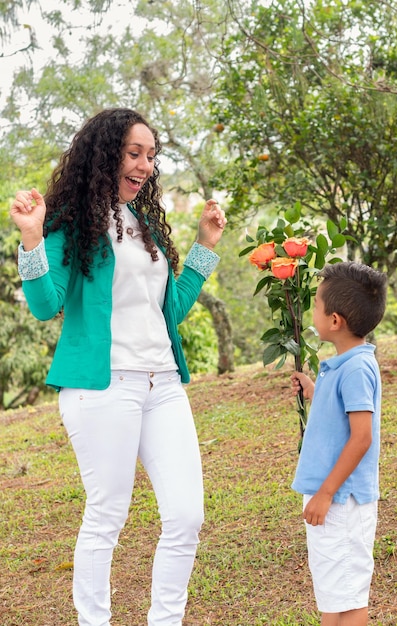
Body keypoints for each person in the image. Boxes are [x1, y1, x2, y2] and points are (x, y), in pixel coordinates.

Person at [10, 108, 227, 626]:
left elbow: (168, 310)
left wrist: (205, 248)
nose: (145, 166)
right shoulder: (73, 222)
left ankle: (165, 620)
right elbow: (45, 304)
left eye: (151, 156)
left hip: (164, 383)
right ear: (106, 155)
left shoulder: (144, 223)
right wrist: (32, 238)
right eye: (135, 154)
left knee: (186, 515)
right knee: (108, 514)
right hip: (104, 387)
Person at [290, 262, 387, 626]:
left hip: (342, 501)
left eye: (315, 304)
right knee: (334, 589)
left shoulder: (357, 368)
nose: (311, 310)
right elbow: (341, 421)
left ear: (334, 321)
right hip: (332, 499)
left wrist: (326, 493)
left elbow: (362, 438)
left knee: (348, 592)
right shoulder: (343, 364)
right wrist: (317, 392)